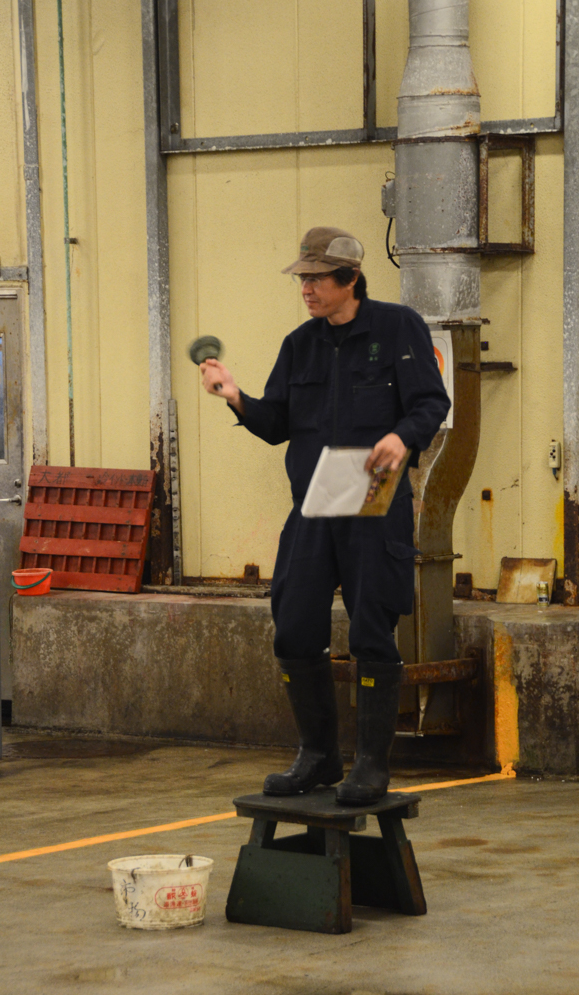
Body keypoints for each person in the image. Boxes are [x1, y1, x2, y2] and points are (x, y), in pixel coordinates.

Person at [200, 226, 450, 805]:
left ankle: (371, 766)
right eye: (303, 279)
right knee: (293, 623)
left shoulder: (397, 328)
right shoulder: (300, 344)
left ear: (350, 278)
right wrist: (234, 395)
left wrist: (402, 436)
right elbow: (277, 425)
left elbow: (431, 402)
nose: (306, 289)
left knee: (371, 630)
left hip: (373, 495)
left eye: (316, 279)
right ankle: (318, 757)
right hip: (315, 500)